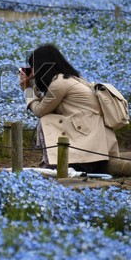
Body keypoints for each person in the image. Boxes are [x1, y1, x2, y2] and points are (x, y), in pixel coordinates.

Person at [20, 44, 119, 173]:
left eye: (33, 67)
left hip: (88, 142)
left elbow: (40, 110)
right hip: (92, 137)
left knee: (46, 120)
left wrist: (27, 89)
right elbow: (46, 105)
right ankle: (57, 161)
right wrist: (32, 83)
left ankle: (52, 164)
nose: (32, 70)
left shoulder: (59, 84)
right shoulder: (70, 78)